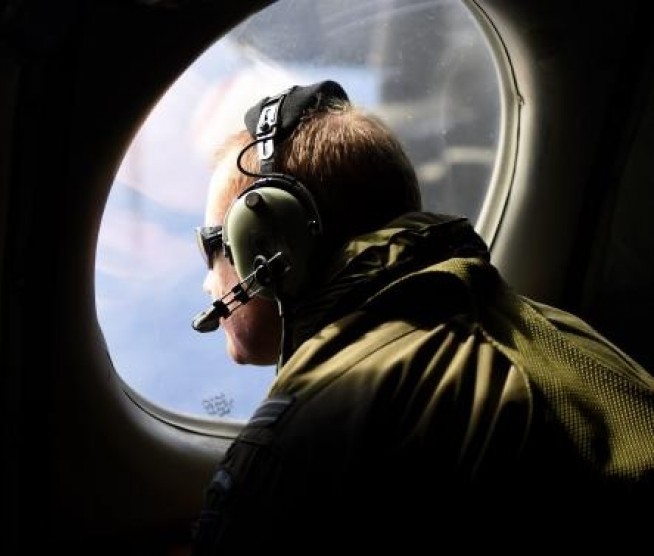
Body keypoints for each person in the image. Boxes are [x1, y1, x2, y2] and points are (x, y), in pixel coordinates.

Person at [188, 80, 654, 554]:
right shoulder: (561, 333)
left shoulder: (318, 417)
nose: (208, 282)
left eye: (211, 245)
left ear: (269, 245)